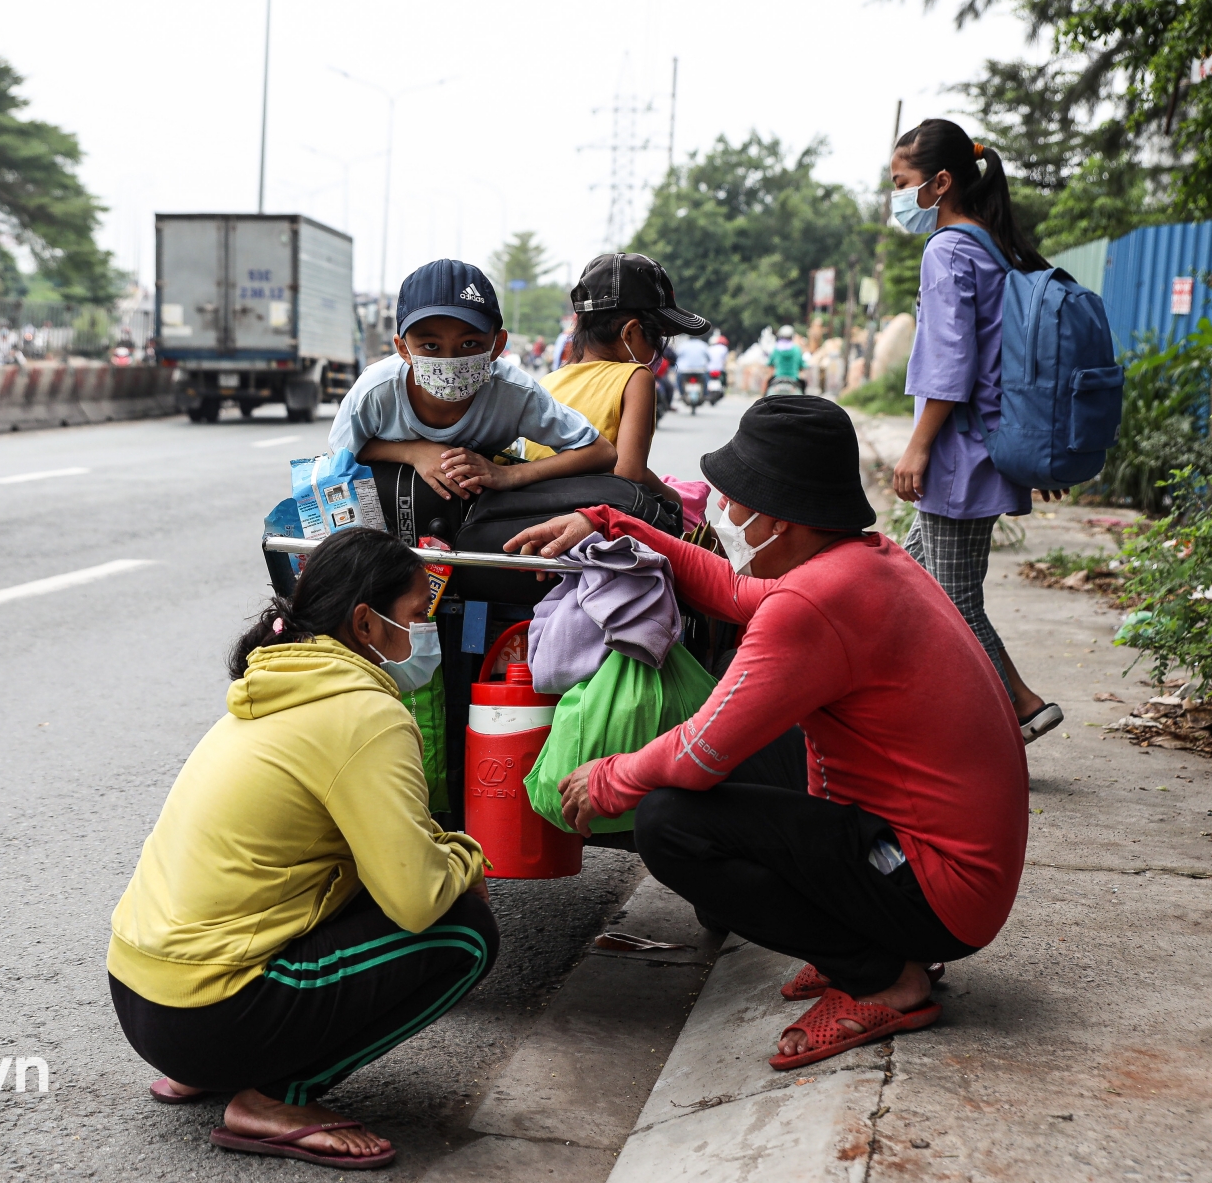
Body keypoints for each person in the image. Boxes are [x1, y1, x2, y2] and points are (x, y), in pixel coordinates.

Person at [502, 396, 1028, 1071]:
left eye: (734, 501)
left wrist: (611, 776)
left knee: (669, 820)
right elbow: (726, 589)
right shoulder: (860, 562)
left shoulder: (813, 603)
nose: (725, 515)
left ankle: (883, 977)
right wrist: (608, 523)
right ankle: (865, 941)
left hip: (937, 890)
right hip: (944, 865)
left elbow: (695, 756)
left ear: (778, 518)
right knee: (741, 758)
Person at [107, 527, 497, 1170]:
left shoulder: (275, 687)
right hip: (209, 1016)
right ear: (365, 625)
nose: (423, 633)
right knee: (465, 931)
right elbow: (417, 897)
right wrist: (468, 861)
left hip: (143, 1002)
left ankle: (213, 1068)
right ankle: (273, 1098)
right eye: (414, 618)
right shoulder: (364, 715)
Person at [887, 117, 1064, 744]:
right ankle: (912, 713)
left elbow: (950, 363)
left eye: (902, 182)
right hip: (980, 449)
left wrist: (917, 448)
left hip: (959, 457)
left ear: (939, 183)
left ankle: (1021, 706)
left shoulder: (949, 250)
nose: (897, 196)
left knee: (953, 602)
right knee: (901, 584)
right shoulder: (989, 243)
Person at [330, 260, 616, 500]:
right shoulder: (377, 390)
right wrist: (414, 452)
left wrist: (508, 475)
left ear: (497, 344)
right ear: (403, 349)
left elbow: (599, 452)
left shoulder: (513, 393)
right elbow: (340, 455)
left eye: (469, 344)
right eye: (430, 346)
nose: (450, 362)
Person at [527, 253, 708, 507]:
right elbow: (630, 474)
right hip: (589, 514)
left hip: (531, 510)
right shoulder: (636, 377)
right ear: (631, 332)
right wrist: (679, 502)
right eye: (659, 338)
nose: (659, 349)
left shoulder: (547, 381)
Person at [767, 326, 805, 392]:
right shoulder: (797, 349)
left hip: (778, 379)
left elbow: (770, 363)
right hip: (794, 380)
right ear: (792, 337)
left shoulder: (776, 349)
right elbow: (802, 365)